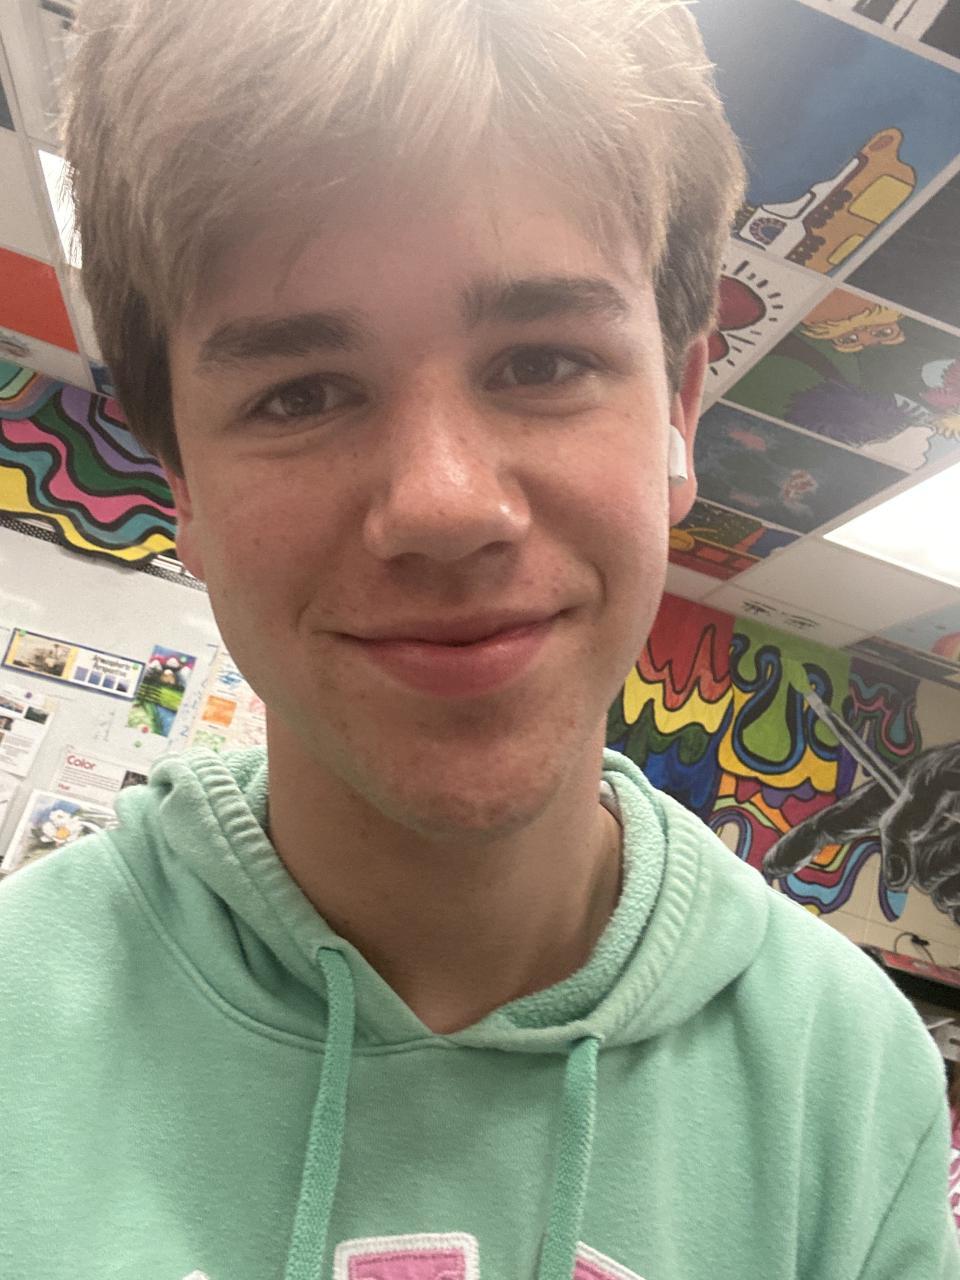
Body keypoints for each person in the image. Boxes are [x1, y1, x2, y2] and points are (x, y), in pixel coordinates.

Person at [0, 1, 956, 1277]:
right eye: (300, 392)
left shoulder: (849, 1082)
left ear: (678, 411)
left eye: (543, 362)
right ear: (183, 485)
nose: (445, 504)